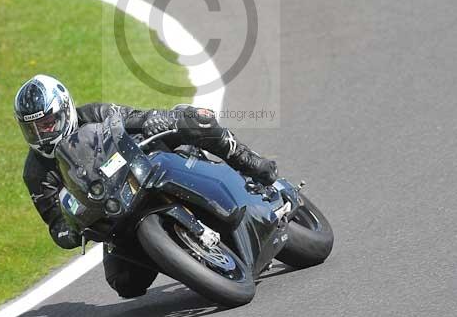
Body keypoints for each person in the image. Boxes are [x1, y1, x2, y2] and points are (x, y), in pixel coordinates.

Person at [14, 74, 277, 299]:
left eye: (46, 124)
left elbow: (133, 118)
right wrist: (71, 230)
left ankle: (250, 163)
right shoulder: (36, 173)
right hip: (114, 213)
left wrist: (156, 120)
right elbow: (55, 224)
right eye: (32, 129)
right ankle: (189, 258)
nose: (41, 134)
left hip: (146, 169)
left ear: (64, 110)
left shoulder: (94, 114)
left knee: (197, 120)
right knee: (125, 283)